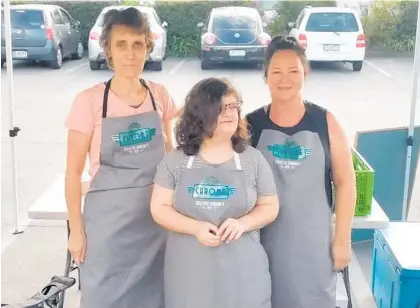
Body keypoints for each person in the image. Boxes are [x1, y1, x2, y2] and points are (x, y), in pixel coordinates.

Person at [64, 8, 179, 308]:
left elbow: (171, 160)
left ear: (148, 47)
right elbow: (72, 173)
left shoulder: (160, 95)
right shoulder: (88, 102)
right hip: (107, 229)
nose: (130, 53)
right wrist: (76, 230)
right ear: (109, 52)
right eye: (121, 45)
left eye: (137, 44)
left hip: (155, 224)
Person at [246, 35, 356, 308]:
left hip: (315, 247)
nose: (285, 79)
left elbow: (346, 182)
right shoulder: (249, 125)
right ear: (266, 76)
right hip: (263, 246)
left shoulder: (325, 122)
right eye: (277, 72)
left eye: (293, 71)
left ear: (305, 72)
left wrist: (342, 239)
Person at [150, 77, 279, 308]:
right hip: (189, 277)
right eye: (221, 108)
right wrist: (195, 228)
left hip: (243, 276)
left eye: (233, 106)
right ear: (200, 113)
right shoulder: (176, 161)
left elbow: (270, 206)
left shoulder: (253, 160)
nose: (230, 113)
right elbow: (159, 209)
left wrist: (244, 223)